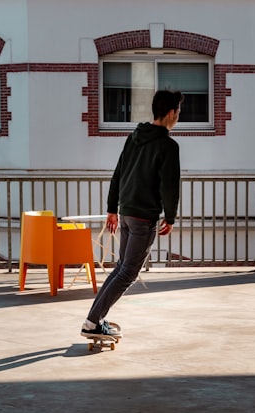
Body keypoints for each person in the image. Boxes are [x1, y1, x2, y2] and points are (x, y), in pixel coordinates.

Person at [80, 89, 184, 340]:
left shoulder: (134, 137)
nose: (178, 116)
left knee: (121, 269)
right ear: (171, 113)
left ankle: (95, 319)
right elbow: (170, 185)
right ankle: (92, 321)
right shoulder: (168, 145)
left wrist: (112, 209)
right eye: (178, 112)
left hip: (126, 213)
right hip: (143, 216)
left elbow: (118, 173)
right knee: (128, 272)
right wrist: (170, 217)